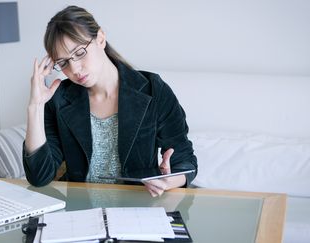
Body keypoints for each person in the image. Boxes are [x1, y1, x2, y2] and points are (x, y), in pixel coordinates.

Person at [23, 5, 197, 197]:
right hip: (81, 212)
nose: (75, 69)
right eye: (63, 62)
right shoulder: (59, 100)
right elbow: (39, 176)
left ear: (100, 38)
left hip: (139, 207)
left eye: (80, 53)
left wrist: (168, 181)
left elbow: (185, 160)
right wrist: (35, 106)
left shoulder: (153, 89)